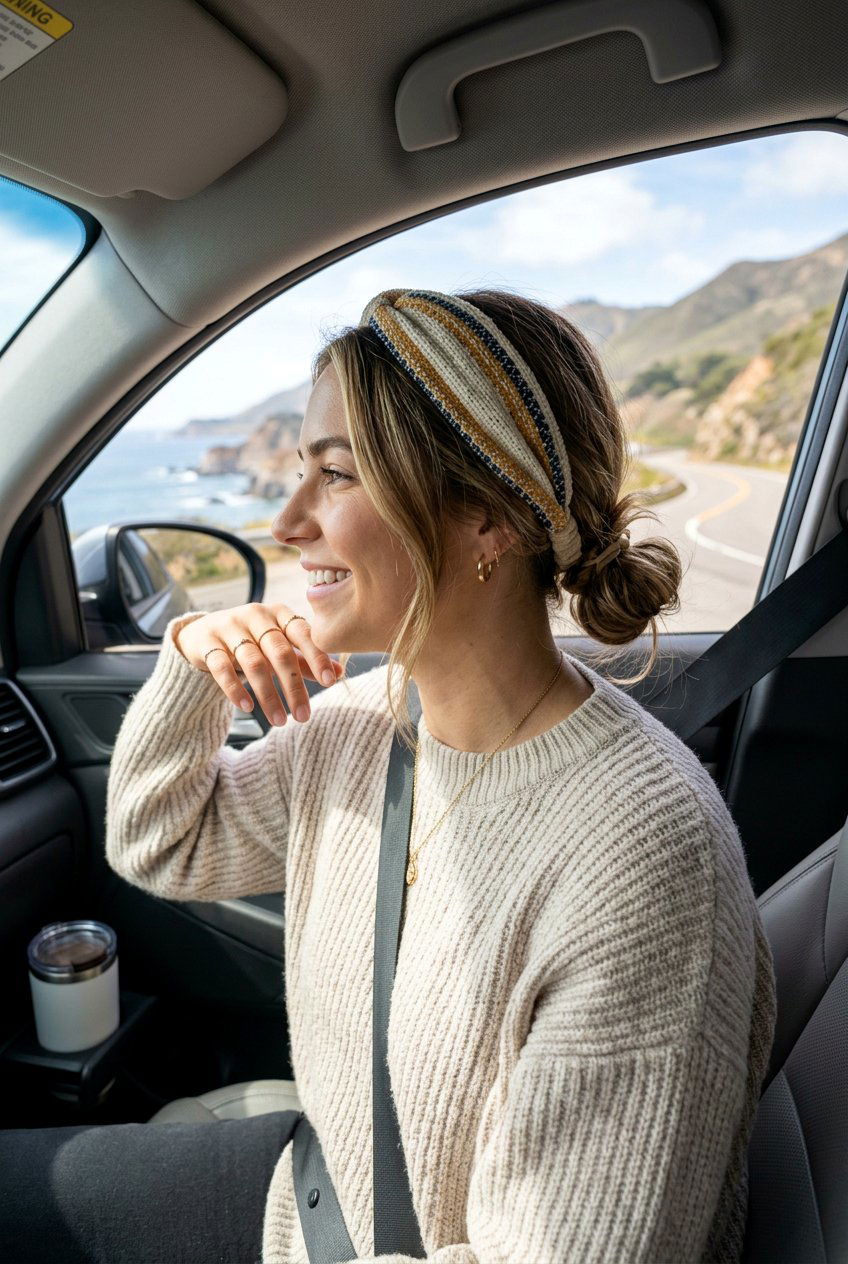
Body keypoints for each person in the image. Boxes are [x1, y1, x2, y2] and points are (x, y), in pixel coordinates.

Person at [3, 287, 777, 1263]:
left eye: (334, 476)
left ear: (488, 515)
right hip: (321, 1188)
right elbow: (162, 843)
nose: (285, 523)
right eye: (295, 472)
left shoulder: (643, 854)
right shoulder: (366, 719)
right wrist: (195, 663)